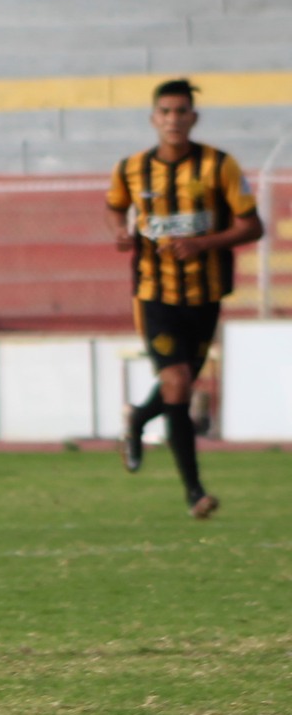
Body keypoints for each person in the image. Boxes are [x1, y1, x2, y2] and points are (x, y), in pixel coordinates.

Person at [104, 78, 260, 518]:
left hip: (206, 294)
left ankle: (137, 418)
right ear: (154, 118)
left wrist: (203, 243)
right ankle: (195, 492)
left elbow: (253, 226)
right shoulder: (131, 168)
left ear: (193, 117)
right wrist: (118, 229)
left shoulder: (219, 166)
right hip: (155, 293)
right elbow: (115, 205)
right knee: (176, 383)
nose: (173, 119)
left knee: (181, 385)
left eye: (181, 111)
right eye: (165, 112)